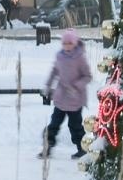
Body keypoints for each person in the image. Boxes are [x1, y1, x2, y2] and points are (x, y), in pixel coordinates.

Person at [39, 28, 91, 159]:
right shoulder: (60, 56)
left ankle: (82, 149)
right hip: (61, 98)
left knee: (75, 126)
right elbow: (54, 71)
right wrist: (48, 85)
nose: (67, 46)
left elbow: (87, 76)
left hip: (75, 98)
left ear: (74, 43)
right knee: (54, 124)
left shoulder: (80, 58)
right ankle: (47, 147)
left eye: (70, 43)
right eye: (65, 43)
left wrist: (76, 86)